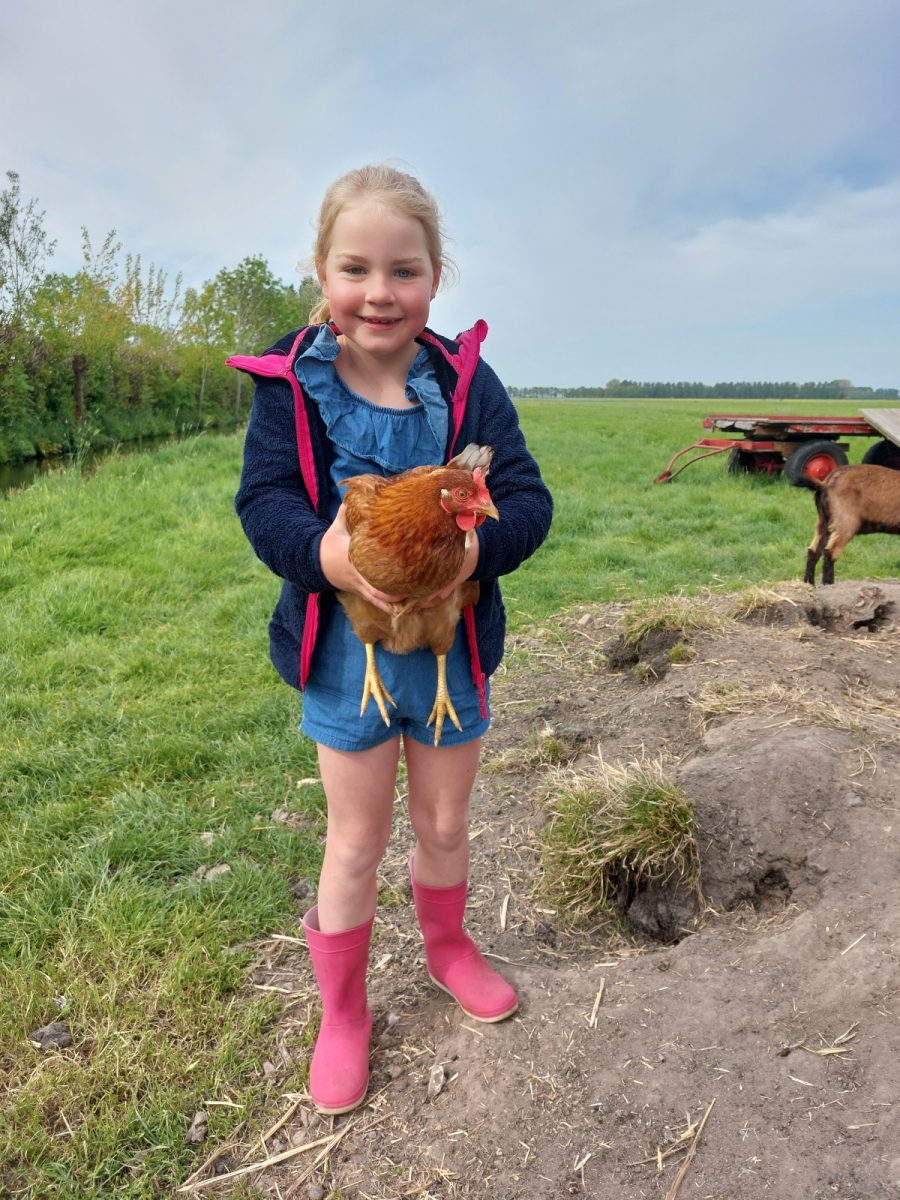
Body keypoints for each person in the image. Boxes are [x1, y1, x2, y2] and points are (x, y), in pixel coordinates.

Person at [233, 164, 553, 1115]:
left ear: (436, 277)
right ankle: (344, 1010)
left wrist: (474, 554)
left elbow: (529, 500)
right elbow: (264, 503)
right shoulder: (291, 386)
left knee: (445, 824)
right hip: (345, 650)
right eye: (357, 268)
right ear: (322, 273)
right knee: (355, 840)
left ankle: (448, 949)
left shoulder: (468, 384)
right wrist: (323, 557)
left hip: (454, 645)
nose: (380, 292)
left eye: (404, 271)